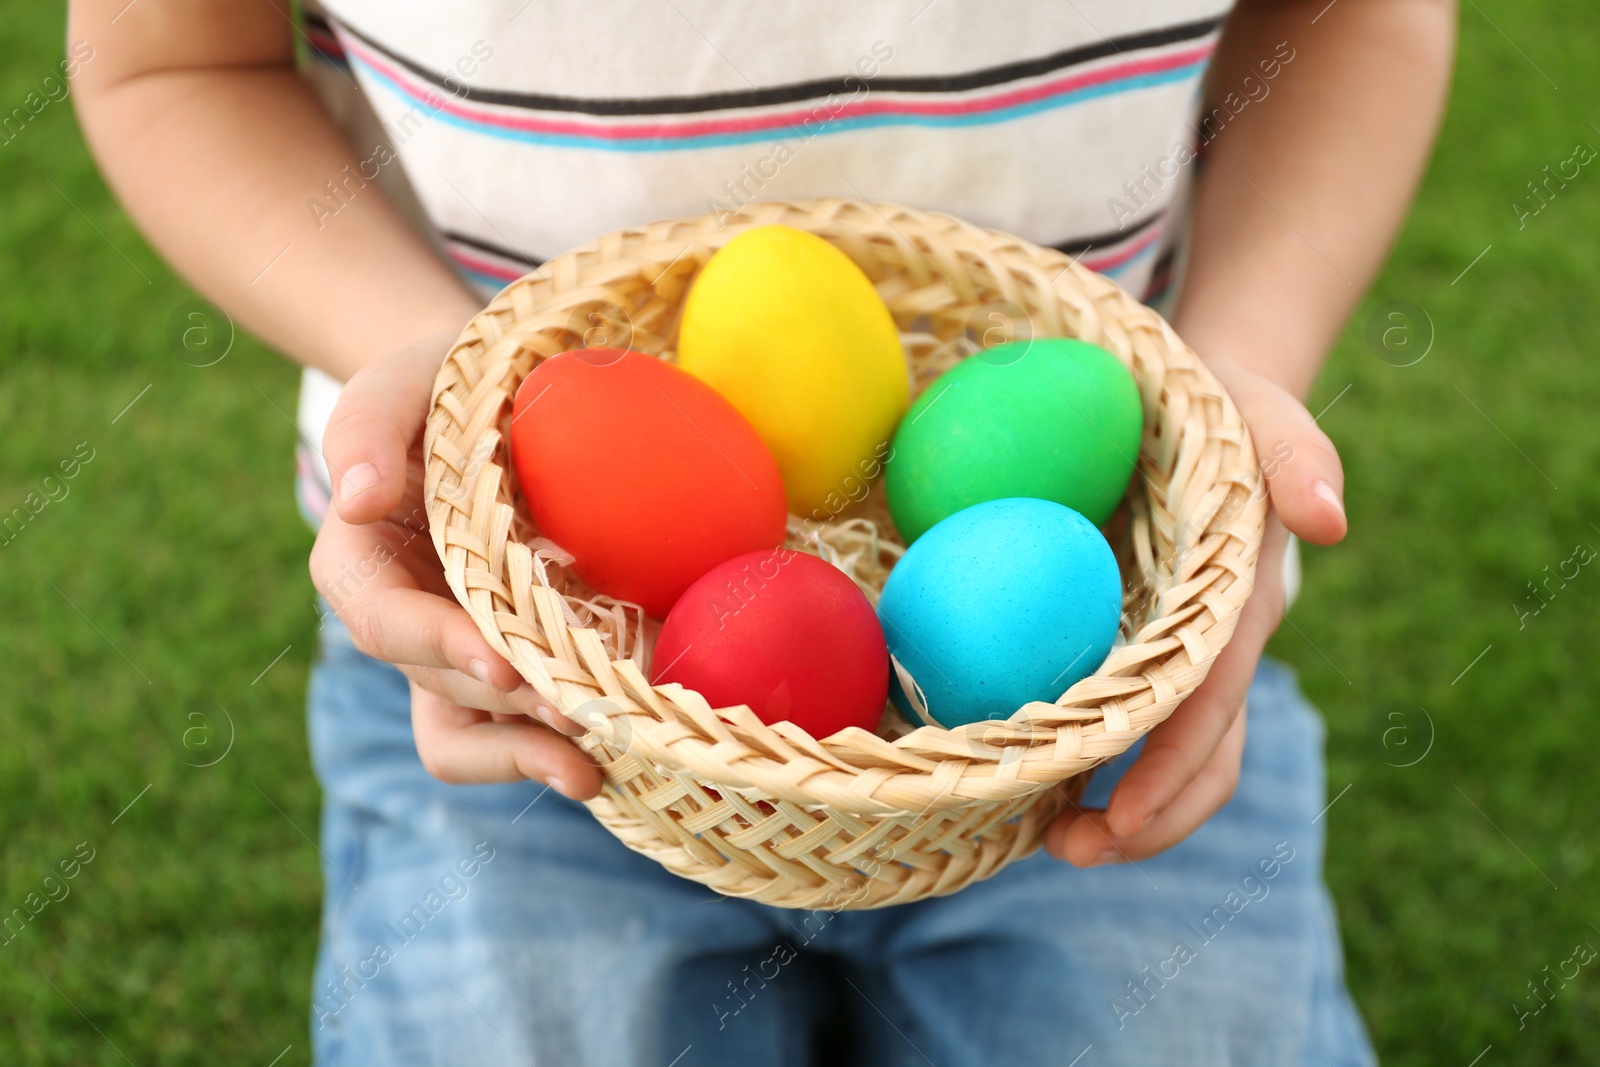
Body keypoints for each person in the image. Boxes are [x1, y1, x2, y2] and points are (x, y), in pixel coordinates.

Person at [69, 0, 1454, 1062]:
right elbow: (181, 55)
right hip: (527, 690)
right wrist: (442, 388)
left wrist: (1221, 389)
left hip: (1090, 724)